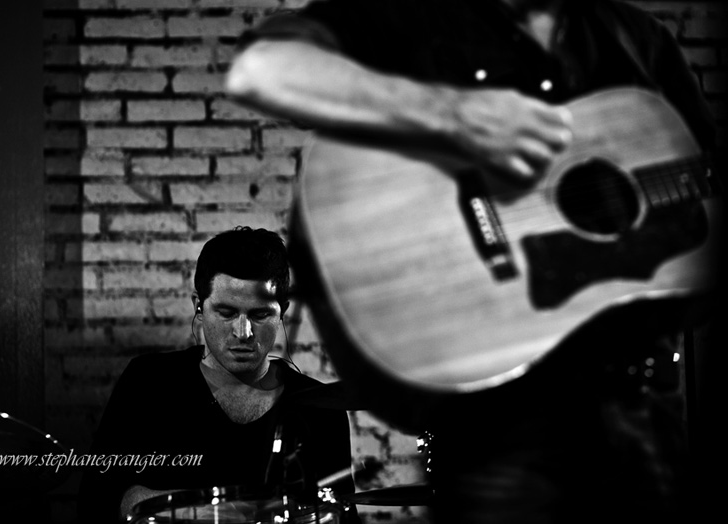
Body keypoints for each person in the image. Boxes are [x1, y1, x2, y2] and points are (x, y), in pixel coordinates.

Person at [225, 1, 722, 523]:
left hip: (645, 407)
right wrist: (454, 114)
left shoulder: (639, 39)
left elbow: (704, 188)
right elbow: (264, 69)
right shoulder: (413, 17)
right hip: (500, 424)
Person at [77, 227, 357, 523]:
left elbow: (343, 514)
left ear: (282, 312)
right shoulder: (148, 382)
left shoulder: (321, 411)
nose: (243, 332)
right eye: (226, 313)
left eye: (260, 315)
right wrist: (188, 509)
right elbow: (96, 499)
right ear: (198, 306)